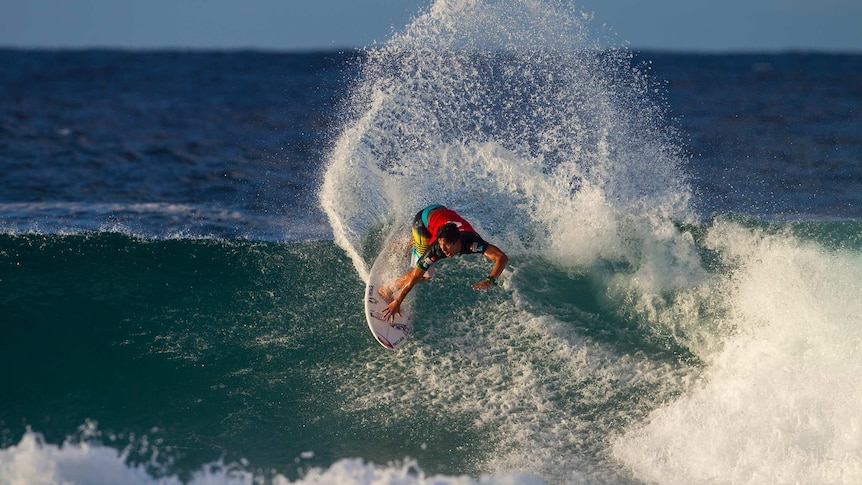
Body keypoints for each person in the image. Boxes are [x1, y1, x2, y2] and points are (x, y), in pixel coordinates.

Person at [379, 204, 508, 322]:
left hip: (439, 212)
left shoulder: (472, 242)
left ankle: (408, 243)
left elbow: (501, 257)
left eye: (447, 246)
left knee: (425, 245)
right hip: (423, 221)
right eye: (441, 246)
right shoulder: (436, 249)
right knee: (426, 274)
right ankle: (387, 290)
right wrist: (398, 301)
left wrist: (491, 279)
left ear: (457, 242)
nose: (444, 251)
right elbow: (415, 276)